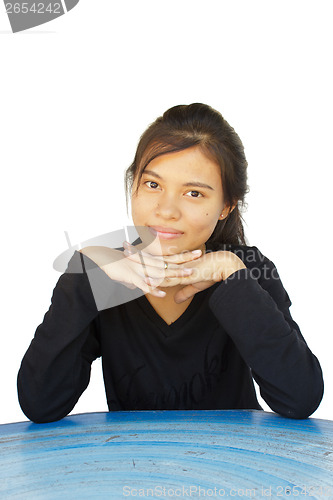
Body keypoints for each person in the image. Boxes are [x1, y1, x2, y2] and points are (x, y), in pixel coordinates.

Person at [17, 103, 324, 423]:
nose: (166, 210)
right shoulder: (103, 277)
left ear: (226, 206)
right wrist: (83, 273)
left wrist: (232, 275)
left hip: (233, 465)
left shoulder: (247, 270)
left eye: (193, 193)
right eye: (153, 184)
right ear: (133, 184)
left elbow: (299, 399)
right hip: (136, 467)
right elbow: (41, 404)